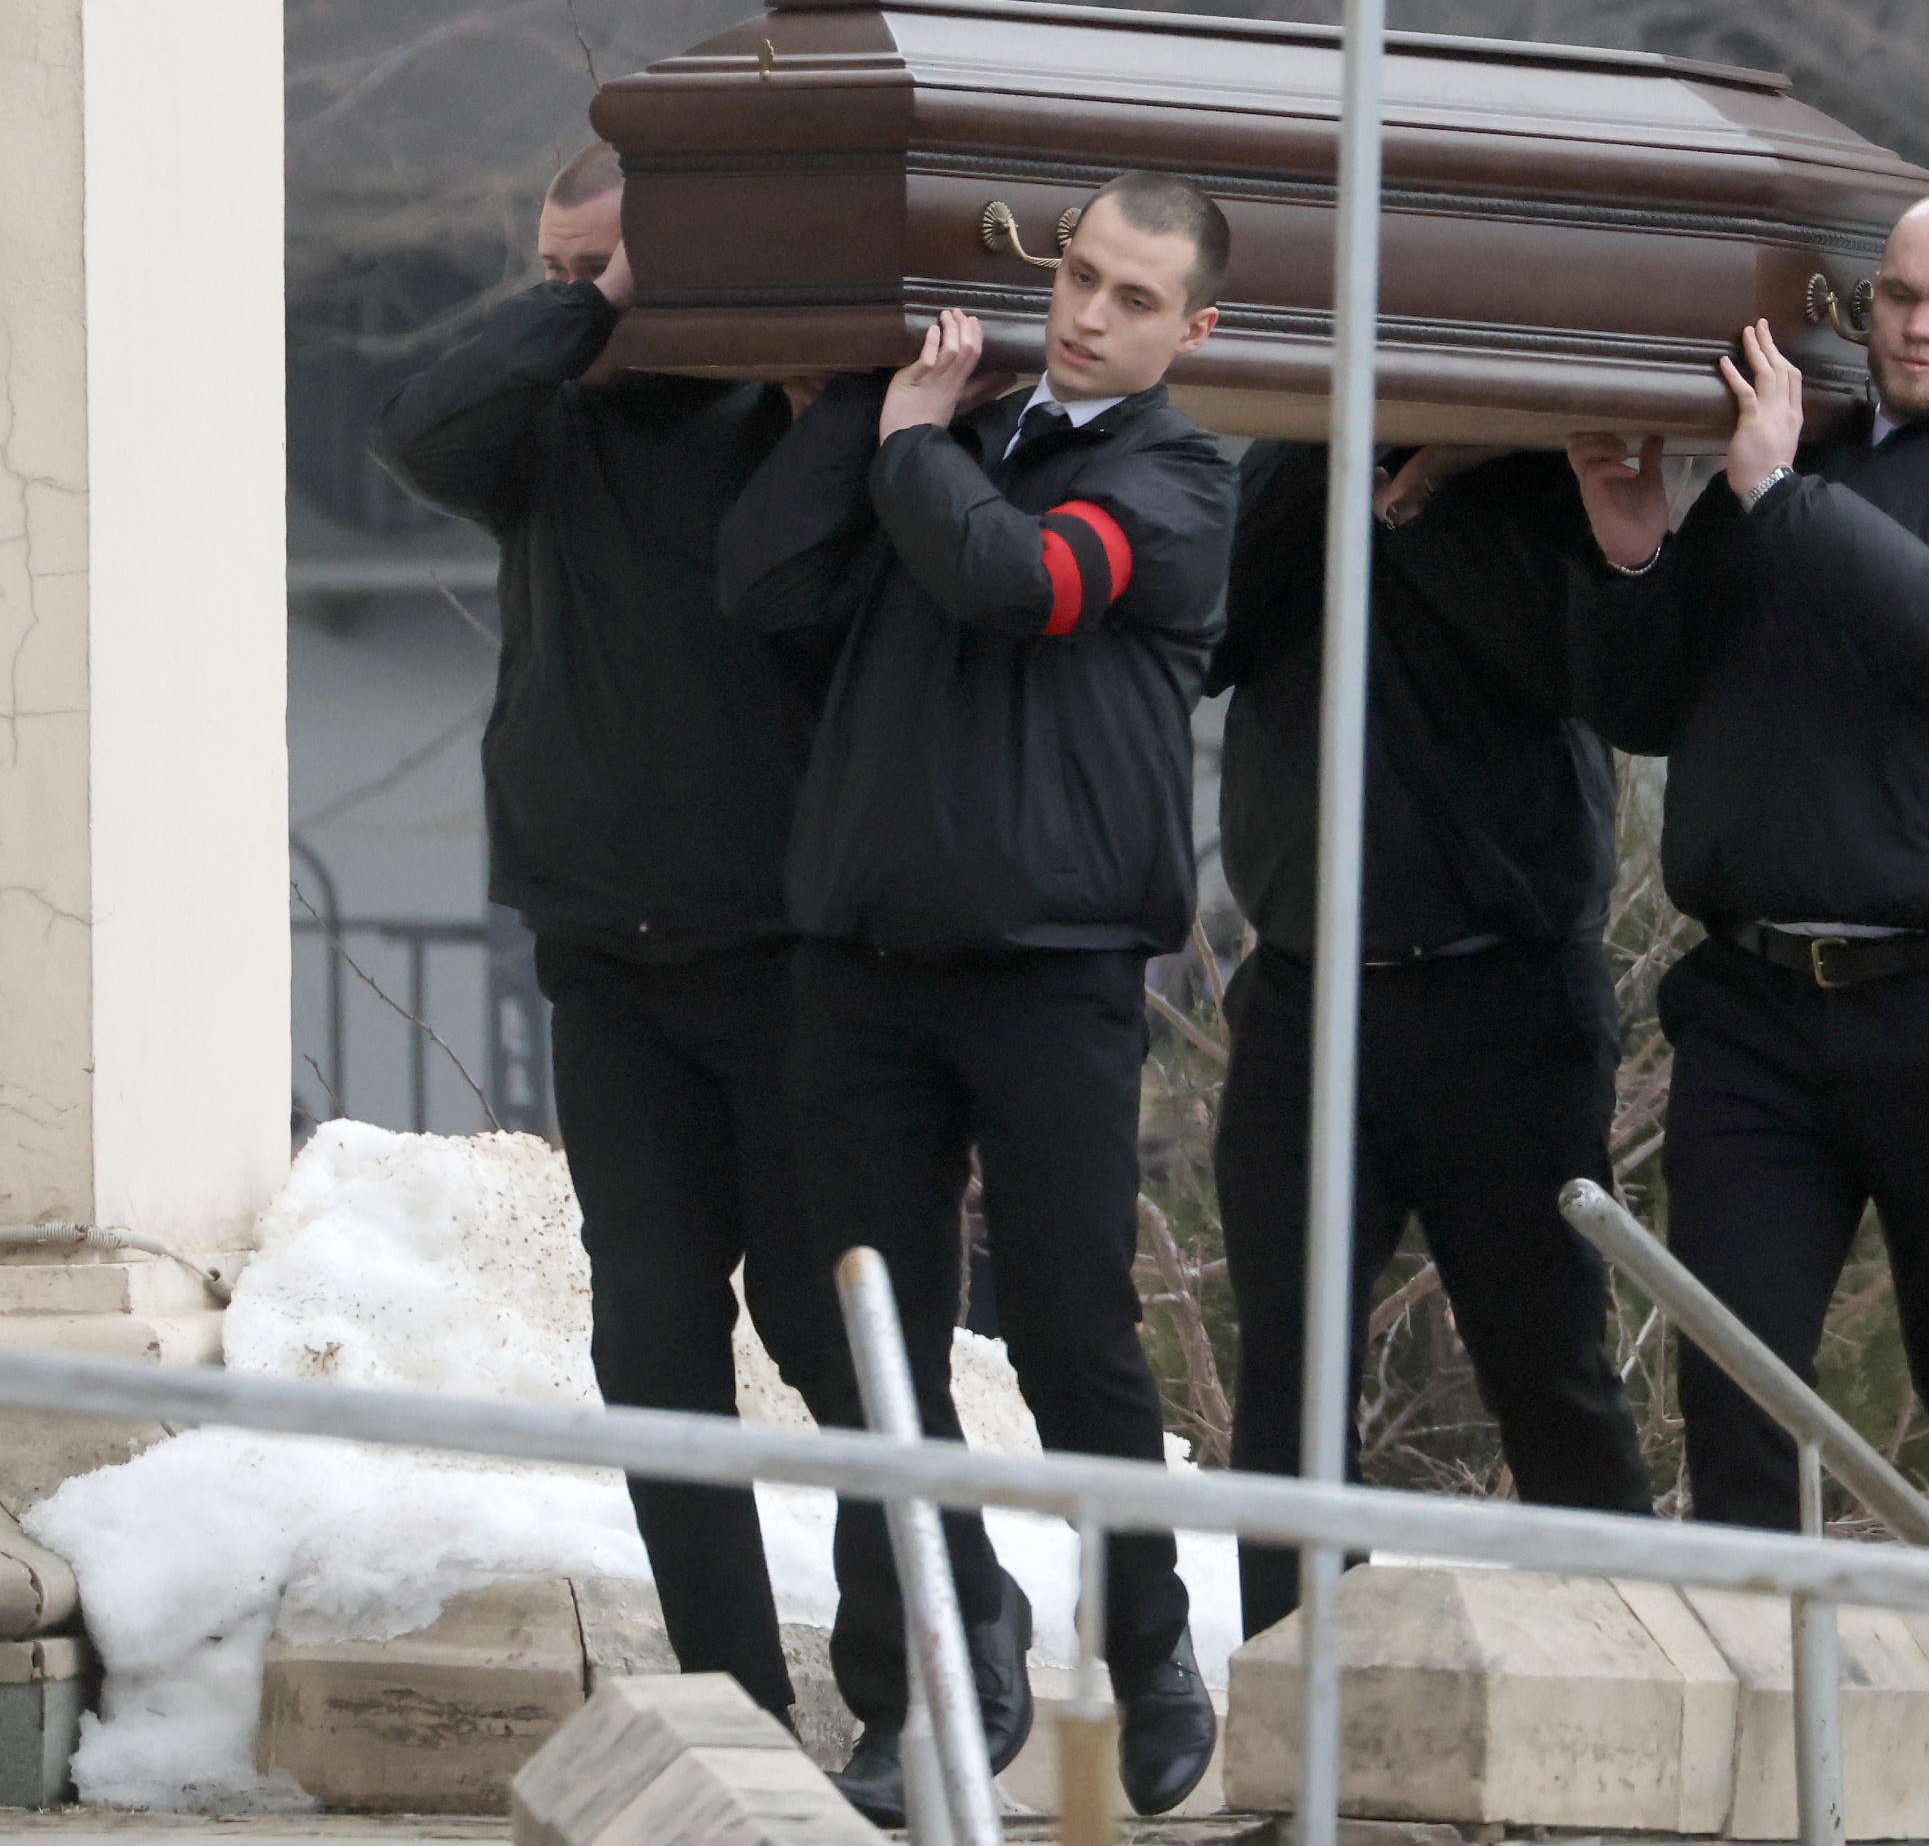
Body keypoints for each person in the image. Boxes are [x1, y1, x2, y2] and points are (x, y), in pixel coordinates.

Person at [716, 174, 1238, 1823]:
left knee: (1080, 1332)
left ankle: (1148, 1638)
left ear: (1191, 330)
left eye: (1132, 296)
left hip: (1054, 973)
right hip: (863, 966)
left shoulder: (1174, 476)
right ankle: (940, 1659)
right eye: (1076, 275)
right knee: (883, 1344)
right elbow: (761, 583)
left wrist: (911, 450)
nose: (1086, 312)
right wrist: (873, 412)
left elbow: (1020, 583)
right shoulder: (948, 441)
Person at [1564, 187, 1929, 1563]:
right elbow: (1644, 704)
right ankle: (1762, 1698)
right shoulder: (1792, 461)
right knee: (1736, 1372)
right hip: (1756, 1010)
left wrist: (1767, 490)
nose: (1919, 326)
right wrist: (1636, 540)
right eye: (1899, 297)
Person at [374, 142, 863, 1724]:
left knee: (829, 1324)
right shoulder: (547, 422)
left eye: (605, 270)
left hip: (782, 949)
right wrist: (592, 308)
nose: (572, 300)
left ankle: (913, 1669)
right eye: (554, 271)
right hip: (604, 943)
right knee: (652, 1339)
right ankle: (737, 1699)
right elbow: (419, 426)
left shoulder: (786, 415)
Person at [1205, 439, 1652, 1636]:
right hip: (1305, 995)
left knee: (1549, 1372)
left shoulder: (1545, 474)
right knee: (1289, 1392)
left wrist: (1422, 502)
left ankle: (1627, 1691)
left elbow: (1586, 666)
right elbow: (1208, 632)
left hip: (1504, 1002)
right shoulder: (1296, 463)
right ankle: (1299, 1725)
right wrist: (1340, 451)